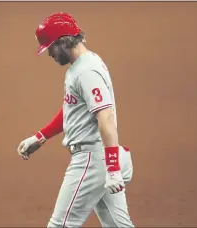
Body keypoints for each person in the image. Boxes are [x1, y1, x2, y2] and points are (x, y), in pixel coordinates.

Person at [17, 12, 135, 228]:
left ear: (63, 42)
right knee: (118, 225)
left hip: (92, 160)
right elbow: (73, 109)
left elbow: (105, 116)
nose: (49, 54)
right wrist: (40, 136)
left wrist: (112, 167)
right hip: (99, 157)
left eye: (50, 47)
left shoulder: (86, 72)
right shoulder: (81, 66)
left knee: (60, 225)